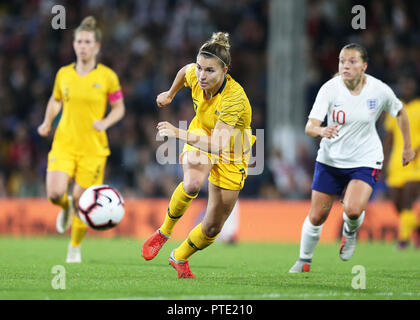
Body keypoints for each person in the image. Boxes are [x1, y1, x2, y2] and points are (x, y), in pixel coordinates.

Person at [289, 43, 416, 273]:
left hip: (365, 160)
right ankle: (304, 260)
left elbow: (400, 112)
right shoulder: (329, 89)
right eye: (342, 61)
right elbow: (310, 126)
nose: (345, 66)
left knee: (354, 210)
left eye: (352, 61)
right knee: (317, 216)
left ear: (364, 66)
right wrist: (321, 131)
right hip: (330, 160)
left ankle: (350, 231)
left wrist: (407, 147)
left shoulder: (379, 90)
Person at [141, 32, 254, 278]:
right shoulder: (195, 73)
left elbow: (217, 145)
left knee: (213, 227)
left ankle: (179, 256)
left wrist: (177, 132)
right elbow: (185, 71)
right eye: (201, 68)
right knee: (192, 183)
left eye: (210, 71)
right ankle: (164, 232)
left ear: (225, 70)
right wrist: (170, 94)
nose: (202, 75)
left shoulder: (234, 98)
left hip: (232, 150)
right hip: (201, 130)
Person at [37, 16, 125, 263]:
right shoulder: (63, 74)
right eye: (79, 41)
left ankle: (74, 248)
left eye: (87, 42)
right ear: (74, 45)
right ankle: (64, 209)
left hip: (93, 149)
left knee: (81, 199)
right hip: (64, 143)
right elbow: (55, 100)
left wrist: (106, 122)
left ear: (97, 46)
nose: (82, 46)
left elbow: (119, 108)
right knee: (55, 194)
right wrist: (46, 122)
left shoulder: (107, 77)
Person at [383, 76, 420, 249]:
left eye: (409, 83)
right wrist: (382, 160)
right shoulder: (396, 108)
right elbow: (389, 137)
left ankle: (403, 239)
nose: (406, 87)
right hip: (396, 162)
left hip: (416, 162)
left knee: (407, 199)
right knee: (396, 202)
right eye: (404, 83)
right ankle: (416, 228)